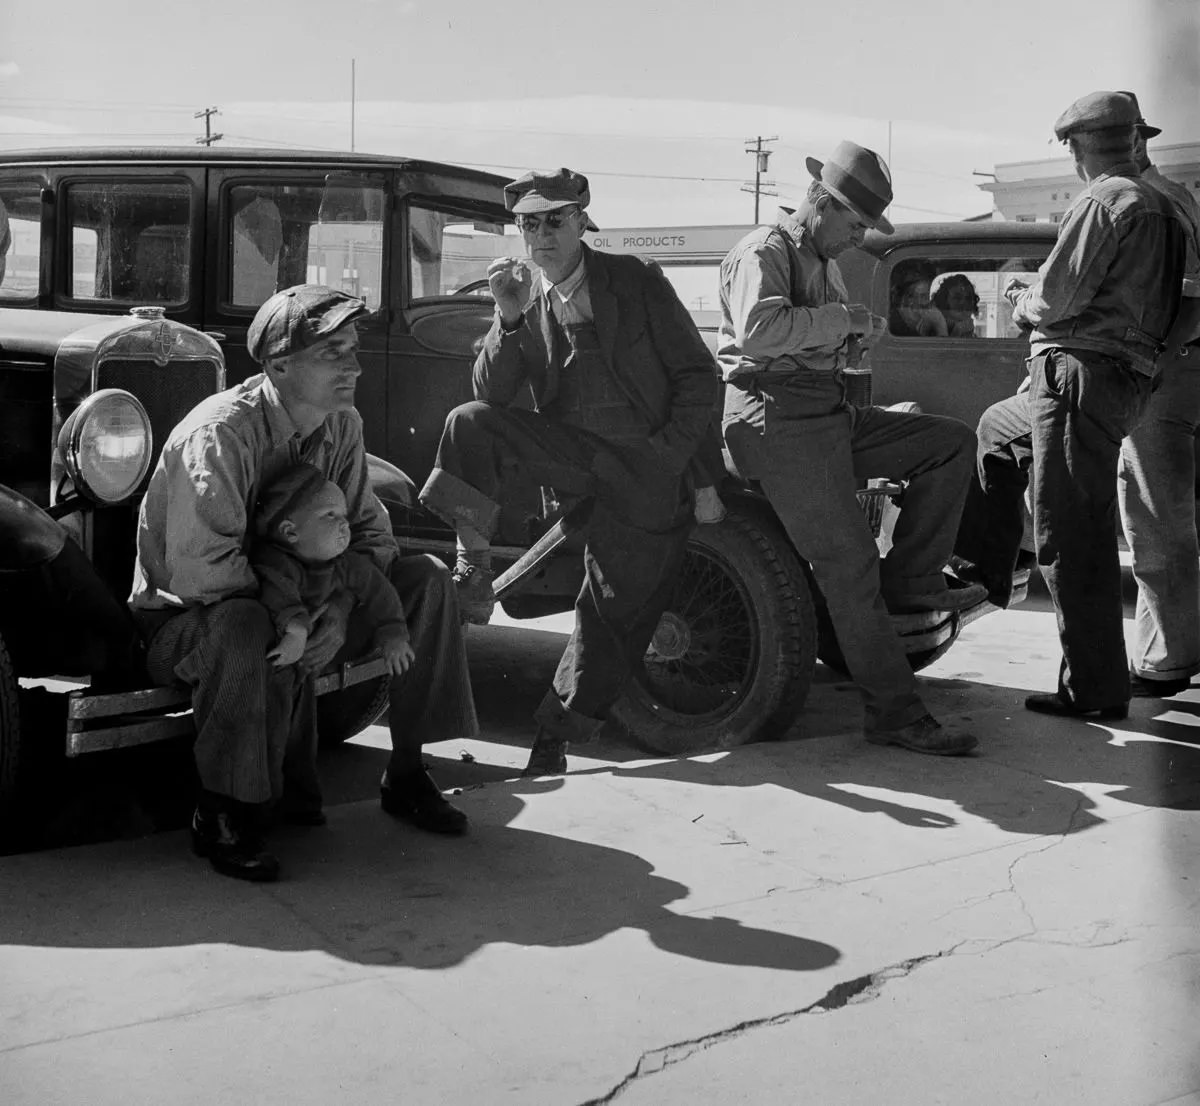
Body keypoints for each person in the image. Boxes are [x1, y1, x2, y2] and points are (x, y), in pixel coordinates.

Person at [129, 284, 477, 882]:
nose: (354, 365)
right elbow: (206, 575)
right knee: (245, 621)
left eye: (353, 349)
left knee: (426, 579)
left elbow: (373, 539)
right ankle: (223, 811)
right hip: (191, 625)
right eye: (333, 352)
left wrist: (336, 608)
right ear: (279, 365)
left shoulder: (342, 426)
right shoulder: (220, 435)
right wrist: (295, 619)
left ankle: (410, 771)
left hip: (308, 606)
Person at [419, 167, 721, 777]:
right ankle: (473, 566)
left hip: (646, 470)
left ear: (583, 221)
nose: (543, 234)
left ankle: (552, 744)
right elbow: (493, 393)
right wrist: (506, 319)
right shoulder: (524, 296)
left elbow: (698, 377)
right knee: (469, 420)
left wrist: (682, 466)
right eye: (530, 223)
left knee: (608, 615)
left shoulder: (635, 281)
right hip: (575, 460)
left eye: (555, 219)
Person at [718, 140, 985, 758]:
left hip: (823, 410)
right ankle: (894, 713)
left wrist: (846, 340)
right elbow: (759, 334)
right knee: (848, 564)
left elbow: (818, 341)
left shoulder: (826, 261)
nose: (857, 236)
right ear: (819, 200)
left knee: (949, 444)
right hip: (774, 418)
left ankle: (913, 581)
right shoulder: (765, 250)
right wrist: (844, 324)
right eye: (855, 222)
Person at [953, 91, 1187, 722]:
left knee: (1071, 534)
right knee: (997, 432)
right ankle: (978, 571)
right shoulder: (1170, 209)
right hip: (1115, 381)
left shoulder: (1104, 199)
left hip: (1073, 374)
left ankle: (1094, 691)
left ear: (1079, 148)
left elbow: (1055, 299)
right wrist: (1150, 360)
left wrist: (1027, 295)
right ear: (1135, 139)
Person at [247, 463, 415, 821]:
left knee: (302, 734)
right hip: (286, 654)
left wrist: (393, 632)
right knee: (280, 728)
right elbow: (279, 597)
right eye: (329, 516)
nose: (344, 525)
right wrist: (295, 632)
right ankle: (273, 798)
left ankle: (301, 801)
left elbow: (379, 592)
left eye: (343, 516)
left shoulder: (344, 563)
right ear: (290, 531)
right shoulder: (277, 562)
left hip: (309, 655)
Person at [1116, 93, 1200, 698]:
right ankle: (1164, 653)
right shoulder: (1174, 195)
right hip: (1180, 369)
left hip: (1166, 375)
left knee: (1154, 519)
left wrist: (1154, 363)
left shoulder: (1154, 202)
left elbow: (1191, 299)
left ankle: (1166, 659)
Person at [888, 262, 948, 337]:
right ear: (909, 299)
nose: (932, 304)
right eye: (925, 296)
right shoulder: (893, 327)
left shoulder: (925, 324)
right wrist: (940, 325)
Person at [931, 273, 981, 338]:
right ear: (944, 301)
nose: (964, 302)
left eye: (968, 298)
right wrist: (956, 333)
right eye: (957, 298)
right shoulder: (934, 330)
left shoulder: (974, 336)